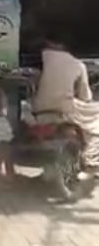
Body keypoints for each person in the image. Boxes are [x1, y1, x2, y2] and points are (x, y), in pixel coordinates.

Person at [33, 37, 99, 170]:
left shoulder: (41, 57)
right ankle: (90, 160)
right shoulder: (78, 64)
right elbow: (85, 96)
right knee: (95, 121)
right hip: (64, 110)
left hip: (38, 110)